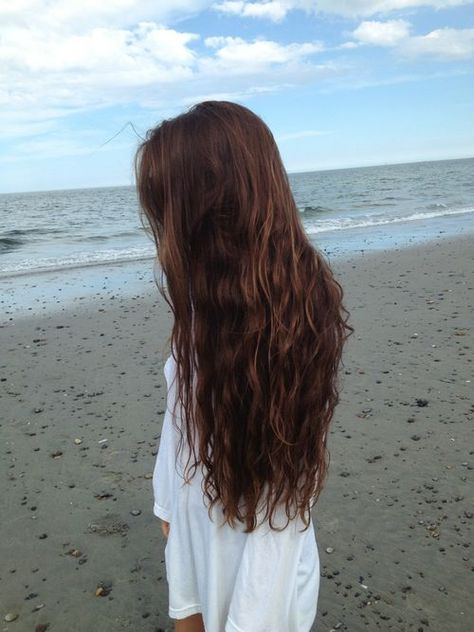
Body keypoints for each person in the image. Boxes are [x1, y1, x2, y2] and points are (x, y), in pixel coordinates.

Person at [134, 101, 354, 632]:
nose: (163, 238)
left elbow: (279, 516)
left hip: (253, 553)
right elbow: (180, 414)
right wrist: (167, 507)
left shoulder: (291, 325)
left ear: (212, 213)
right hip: (193, 520)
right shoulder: (201, 306)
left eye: (169, 213)